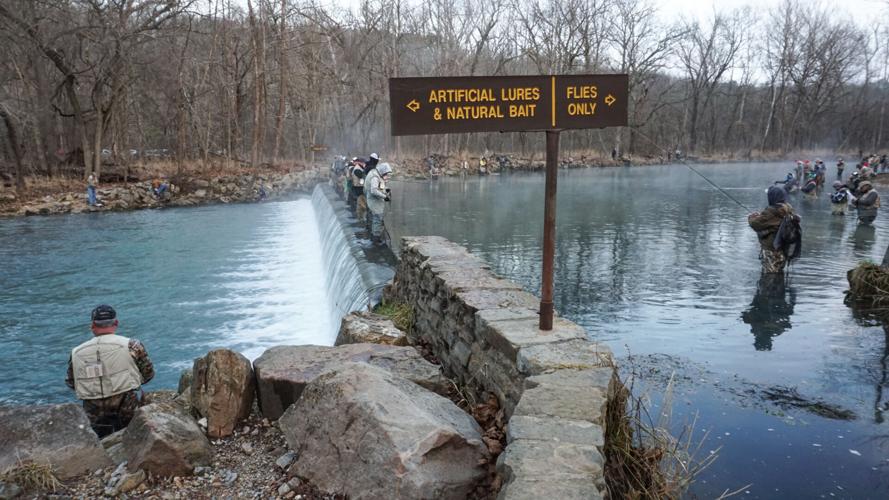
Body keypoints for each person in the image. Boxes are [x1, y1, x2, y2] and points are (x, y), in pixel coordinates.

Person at [66, 305, 154, 437]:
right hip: (126, 405)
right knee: (132, 437)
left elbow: (71, 382)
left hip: (93, 410)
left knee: (100, 440)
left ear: (92, 325)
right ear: (116, 323)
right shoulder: (132, 345)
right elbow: (148, 374)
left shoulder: (76, 352)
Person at [748, 186, 802, 274]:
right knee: (778, 273)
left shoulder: (771, 211)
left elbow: (755, 224)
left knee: (769, 276)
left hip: (771, 250)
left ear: (772, 197)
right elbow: (773, 222)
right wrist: (761, 215)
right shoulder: (787, 209)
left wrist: (751, 217)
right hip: (783, 249)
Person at [364, 162, 392, 245]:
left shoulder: (375, 173)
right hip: (374, 201)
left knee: (376, 219)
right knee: (377, 219)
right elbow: (374, 190)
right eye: (385, 173)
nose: (386, 175)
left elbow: (379, 186)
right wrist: (385, 196)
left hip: (374, 200)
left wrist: (385, 189)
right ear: (382, 171)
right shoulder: (375, 177)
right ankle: (376, 239)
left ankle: (374, 236)